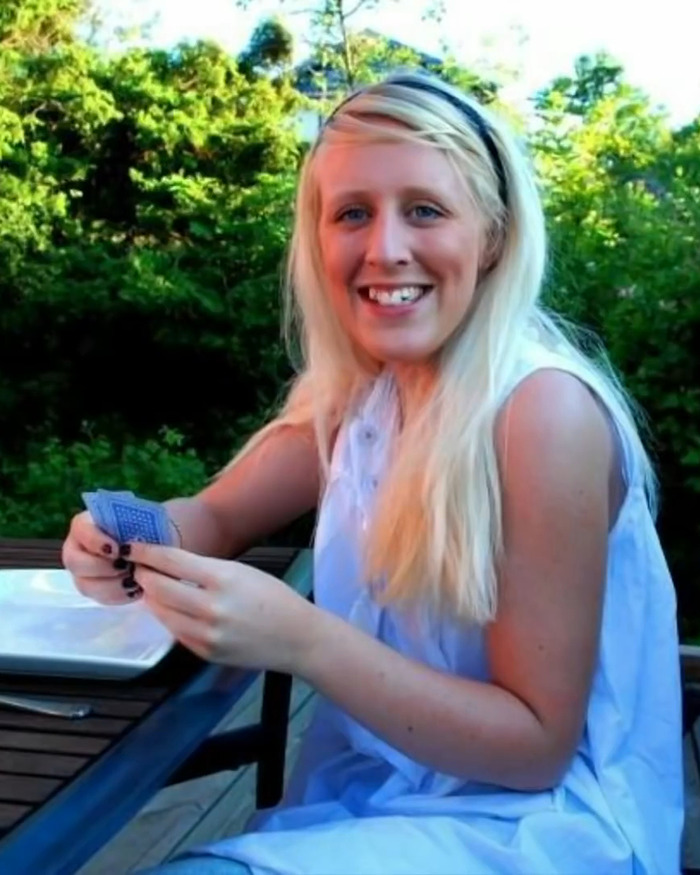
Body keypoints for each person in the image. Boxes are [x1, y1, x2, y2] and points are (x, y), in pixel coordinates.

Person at [62, 70, 684, 875]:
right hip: (371, 802)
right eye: (352, 212)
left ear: (493, 234)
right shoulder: (356, 397)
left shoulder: (543, 412)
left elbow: (534, 748)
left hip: (537, 829)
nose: (384, 246)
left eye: (425, 209)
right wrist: (125, 533)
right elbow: (209, 518)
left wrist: (303, 638)